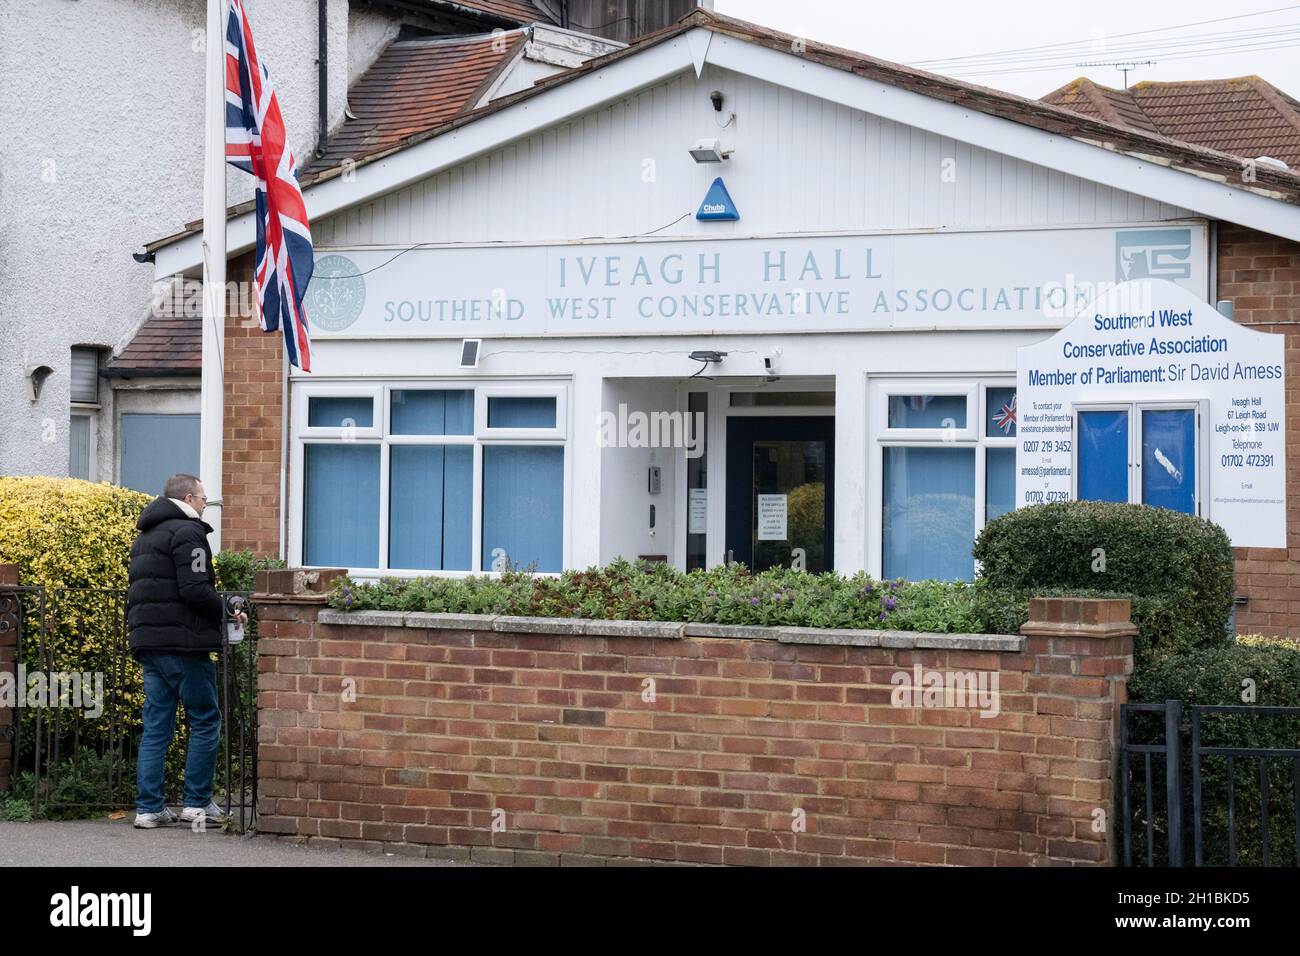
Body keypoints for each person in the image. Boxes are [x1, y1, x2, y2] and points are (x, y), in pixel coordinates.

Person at [126, 473, 246, 829]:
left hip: (149, 643)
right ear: (190, 498)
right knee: (206, 719)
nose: (206, 506)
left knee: (156, 727)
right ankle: (196, 803)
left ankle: (148, 809)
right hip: (184, 644)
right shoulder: (188, 532)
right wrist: (227, 610)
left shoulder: (146, 536)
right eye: (205, 500)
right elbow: (194, 589)